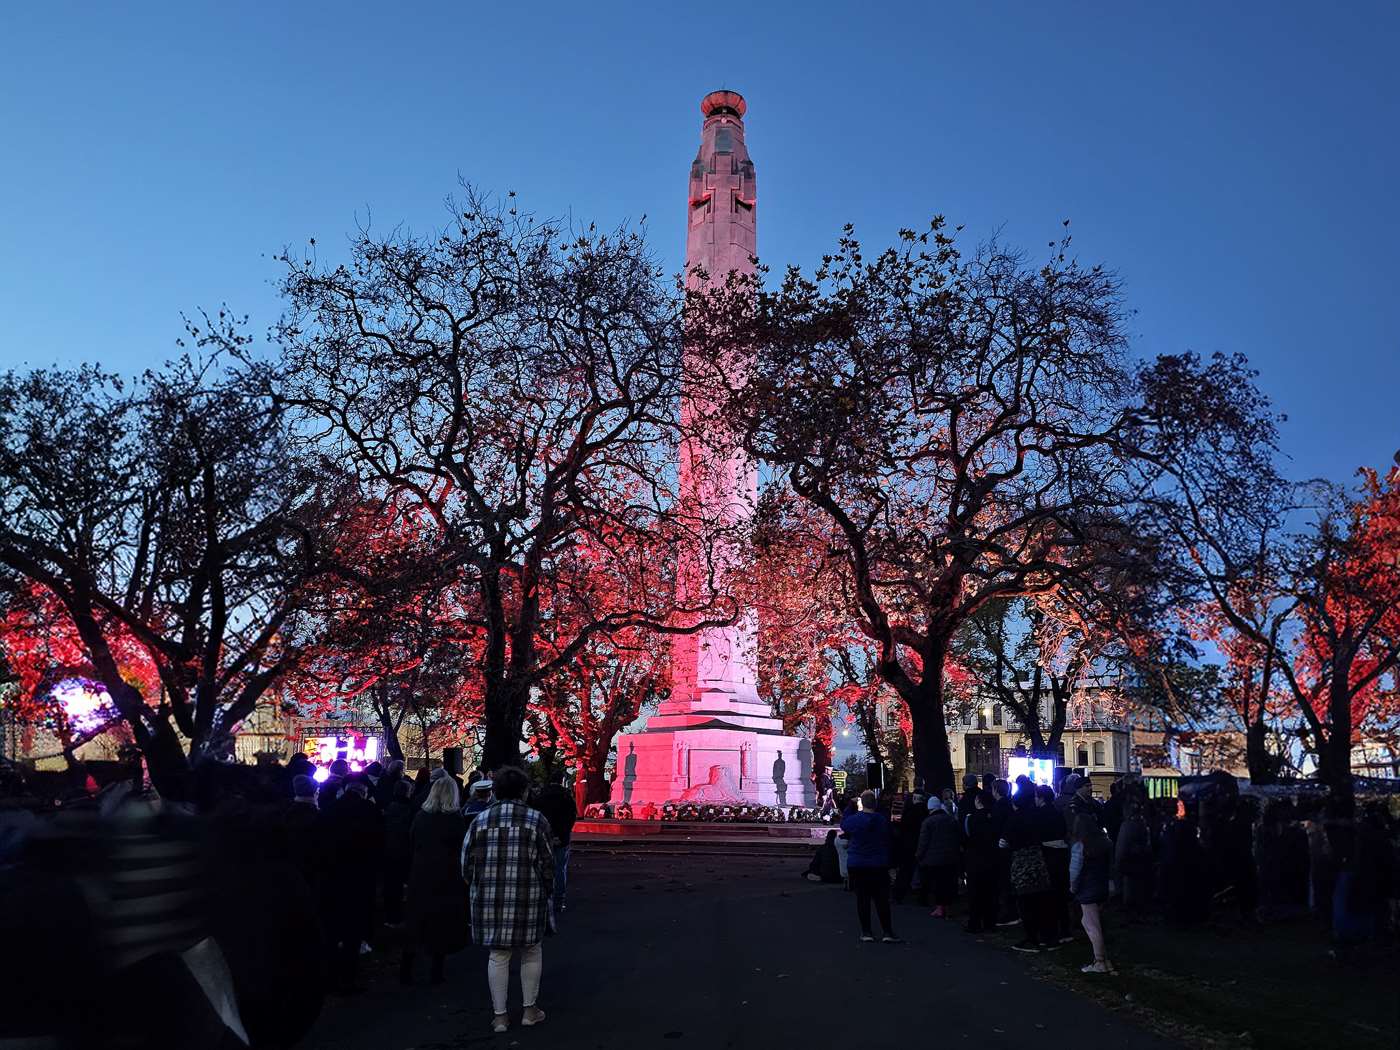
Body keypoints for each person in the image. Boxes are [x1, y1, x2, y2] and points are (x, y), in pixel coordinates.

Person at [462, 766, 554, 1033]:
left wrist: (476, 886)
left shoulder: (480, 820)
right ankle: (529, 1009)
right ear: (525, 791)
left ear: (495, 791)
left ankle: (500, 1016)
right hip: (528, 894)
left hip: (490, 895)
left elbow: (466, 862)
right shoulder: (536, 820)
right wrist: (548, 890)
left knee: (498, 955)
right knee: (531, 951)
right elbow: (548, 862)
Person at [401, 775, 469, 985]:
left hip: (421, 873)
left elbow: (411, 842)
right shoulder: (456, 821)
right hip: (447, 875)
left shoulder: (421, 817)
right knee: (441, 922)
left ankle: (406, 969)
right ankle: (436, 971)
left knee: (416, 920)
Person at [320, 776, 384, 992]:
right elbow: (379, 843)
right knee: (353, 930)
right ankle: (348, 978)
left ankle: (329, 975)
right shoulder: (370, 811)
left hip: (333, 877)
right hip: (360, 879)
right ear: (363, 791)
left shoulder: (330, 809)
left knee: (333, 927)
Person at [840, 790, 899, 942]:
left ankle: (866, 932)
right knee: (881, 900)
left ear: (861, 803)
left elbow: (844, 824)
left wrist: (850, 806)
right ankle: (887, 932)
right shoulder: (881, 820)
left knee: (862, 899)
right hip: (878, 863)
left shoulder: (854, 820)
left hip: (858, 863)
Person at [1002, 784, 1053, 952]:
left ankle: (1031, 938)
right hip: (1038, 859)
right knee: (1041, 901)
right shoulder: (1037, 815)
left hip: (1022, 861)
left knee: (1025, 902)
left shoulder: (1014, 819)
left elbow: (1007, 840)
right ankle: (1047, 936)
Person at [1070, 813, 1115, 973]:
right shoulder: (1104, 843)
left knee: (1090, 924)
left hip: (1087, 887)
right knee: (1098, 924)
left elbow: (1075, 870)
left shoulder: (1080, 846)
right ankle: (1105, 959)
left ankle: (1099, 961)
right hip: (1102, 886)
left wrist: (1072, 887)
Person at [531, 769, 579, 915]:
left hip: (544, 836)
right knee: (560, 869)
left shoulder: (541, 796)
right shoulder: (566, 796)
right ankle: (559, 901)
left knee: (541, 867)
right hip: (562, 837)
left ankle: (543, 898)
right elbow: (571, 817)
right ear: (561, 781)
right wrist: (561, 834)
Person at [1036, 783, 1073, 944]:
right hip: (1061, 856)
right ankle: (1065, 929)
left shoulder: (1040, 815)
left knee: (1047, 898)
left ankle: (1049, 933)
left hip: (1047, 857)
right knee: (1061, 896)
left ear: (1041, 798)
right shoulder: (1058, 813)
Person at [961, 790, 1000, 932]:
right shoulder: (995, 817)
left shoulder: (970, 818)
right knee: (990, 892)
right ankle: (990, 922)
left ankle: (975, 922)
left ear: (978, 801)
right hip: (991, 857)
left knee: (974, 892)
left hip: (975, 858)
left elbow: (966, 837)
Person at [915, 796, 961, 916]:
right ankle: (948, 906)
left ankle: (940, 907)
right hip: (950, 857)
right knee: (947, 882)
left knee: (937, 884)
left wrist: (919, 855)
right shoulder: (950, 820)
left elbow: (923, 842)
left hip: (933, 858)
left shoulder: (927, 822)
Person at [381, 779, 417, 926]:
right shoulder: (411, 810)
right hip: (405, 852)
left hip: (389, 851)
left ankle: (390, 916)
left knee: (391, 886)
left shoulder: (388, 808)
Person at [1114, 799, 1154, 918]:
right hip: (1142, 861)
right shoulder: (1144, 823)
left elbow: (1121, 846)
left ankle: (1131, 913)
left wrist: (1118, 863)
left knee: (1130, 889)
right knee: (1140, 889)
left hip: (1129, 862)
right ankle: (1140, 911)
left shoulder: (1127, 825)